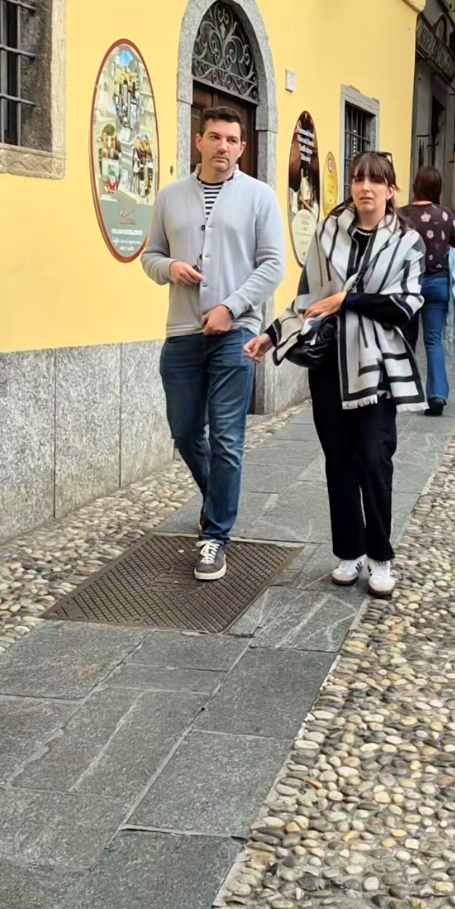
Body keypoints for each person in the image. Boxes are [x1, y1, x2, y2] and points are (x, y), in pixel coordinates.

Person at [245, 153, 425, 598]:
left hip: (377, 368)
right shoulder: (328, 232)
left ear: (390, 190)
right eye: (358, 179)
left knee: (374, 460)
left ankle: (380, 555)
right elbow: (308, 295)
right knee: (339, 462)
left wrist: (347, 300)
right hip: (329, 366)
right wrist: (272, 334)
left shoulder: (408, 242)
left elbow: (404, 304)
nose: (365, 187)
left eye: (375, 181)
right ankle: (349, 551)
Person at [142, 106, 284, 582]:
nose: (223, 147)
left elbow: (272, 265)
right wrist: (169, 269)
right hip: (181, 332)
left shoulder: (259, 197)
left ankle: (215, 536)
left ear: (242, 147)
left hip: (236, 333)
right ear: (198, 141)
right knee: (184, 432)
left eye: (232, 139)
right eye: (215, 137)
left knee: (227, 437)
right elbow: (151, 256)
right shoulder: (171, 196)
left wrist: (231, 306)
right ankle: (217, 500)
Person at [399, 166, 455, 416]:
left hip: (408, 285)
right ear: (438, 188)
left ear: (416, 186)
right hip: (437, 284)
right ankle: (436, 394)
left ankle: (403, 391)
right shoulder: (446, 216)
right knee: (432, 340)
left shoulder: (402, 215)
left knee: (406, 339)